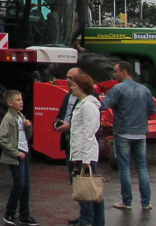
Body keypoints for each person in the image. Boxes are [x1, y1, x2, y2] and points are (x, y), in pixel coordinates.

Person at [100, 61, 155, 211]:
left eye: (116, 71)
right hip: (141, 133)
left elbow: (103, 105)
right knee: (142, 167)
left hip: (123, 132)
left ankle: (127, 201)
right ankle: (146, 202)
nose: (114, 74)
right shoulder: (144, 89)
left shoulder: (118, 89)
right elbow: (152, 110)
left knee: (124, 168)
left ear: (124, 71)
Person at [53, 68, 90, 226]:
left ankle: (88, 218)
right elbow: (62, 114)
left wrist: (70, 127)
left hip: (81, 148)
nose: (68, 81)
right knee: (75, 182)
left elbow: (88, 128)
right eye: (67, 77)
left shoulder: (88, 101)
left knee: (84, 184)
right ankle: (83, 215)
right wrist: (57, 123)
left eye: (71, 78)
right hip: (69, 143)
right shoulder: (68, 95)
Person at [68, 72, 104, 226]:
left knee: (89, 190)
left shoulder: (88, 106)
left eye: (74, 85)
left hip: (85, 155)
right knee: (89, 190)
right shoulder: (83, 103)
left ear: (82, 87)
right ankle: (93, 220)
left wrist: (85, 161)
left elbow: (89, 133)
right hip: (80, 153)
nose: (71, 87)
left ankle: (88, 220)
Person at [0, 89, 36, 226]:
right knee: (19, 185)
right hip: (17, 156)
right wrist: (15, 152)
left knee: (26, 187)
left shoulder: (20, 116)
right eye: (18, 100)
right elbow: (0, 138)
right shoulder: (8, 118)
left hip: (25, 154)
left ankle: (25, 215)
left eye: (21, 99)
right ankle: (9, 213)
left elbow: (27, 136)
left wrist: (29, 127)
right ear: (10, 103)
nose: (21, 102)